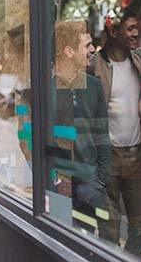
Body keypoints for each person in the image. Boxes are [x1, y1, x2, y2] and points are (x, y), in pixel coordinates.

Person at [91, 9, 141, 257]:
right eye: (130, 28)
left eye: (136, 28)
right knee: (108, 230)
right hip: (108, 158)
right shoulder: (94, 65)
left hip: (139, 156)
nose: (136, 33)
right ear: (113, 31)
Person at [53, 21, 110, 236]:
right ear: (68, 51)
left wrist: (101, 179)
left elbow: (102, 134)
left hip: (90, 184)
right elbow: (30, 139)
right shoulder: (46, 89)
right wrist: (52, 177)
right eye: (87, 45)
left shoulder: (93, 86)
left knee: (86, 244)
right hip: (58, 186)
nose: (93, 49)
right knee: (59, 243)